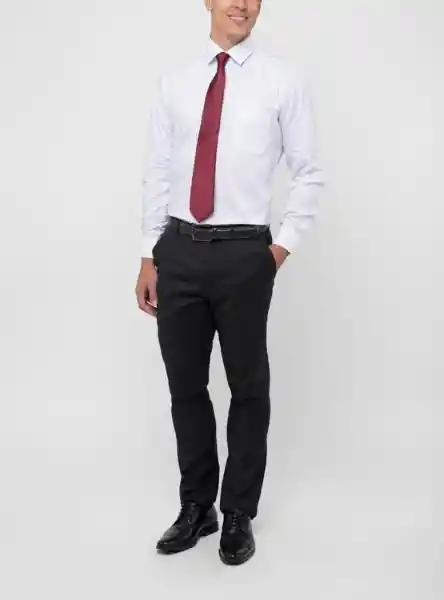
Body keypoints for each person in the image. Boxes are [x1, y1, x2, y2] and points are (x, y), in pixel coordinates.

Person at [135, 0, 324, 566]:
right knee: (185, 386)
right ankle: (198, 505)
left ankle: (239, 510)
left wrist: (277, 250)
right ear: (209, 2)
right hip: (178, 248)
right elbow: (159, 170)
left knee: (247, 386)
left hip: (245, 252)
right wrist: (149, 255)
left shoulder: (282, 80)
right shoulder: (175, 82)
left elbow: (309, 171)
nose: (241, 4)